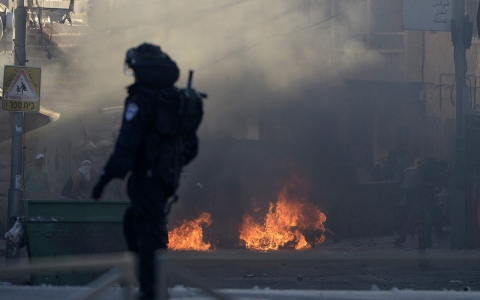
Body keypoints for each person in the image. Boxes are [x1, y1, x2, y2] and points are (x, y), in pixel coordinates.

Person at [91, 43, 203, 300]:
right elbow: (191, 146)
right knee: (137, 224)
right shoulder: (172, 98)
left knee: (147, 230)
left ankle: (152, 289)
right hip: (164, 176)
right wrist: (170, 165)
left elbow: (126, 144)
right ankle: (150, 284)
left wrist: (104, 179)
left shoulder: (142, 99)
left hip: (148, 178)